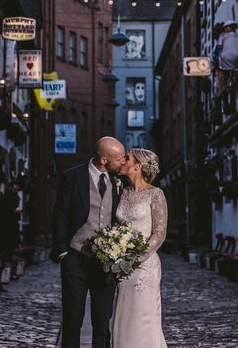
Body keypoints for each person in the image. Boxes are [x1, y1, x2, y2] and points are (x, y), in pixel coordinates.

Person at [51, 136, 126, 348]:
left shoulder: (119, 181)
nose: (122, 162)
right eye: (119, 158)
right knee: (73, 318)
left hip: (106, 261)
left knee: (102, 321)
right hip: (75, 257)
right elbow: (60, 215)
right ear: (103, 159)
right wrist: (63, 252)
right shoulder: (72, 176)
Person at [112, 148, 168, 348]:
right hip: (121, 266)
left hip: (144, 266)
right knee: (123, 319)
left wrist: (136, 257)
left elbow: (160, 233)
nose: (122, 160)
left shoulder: (155, 194)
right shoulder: (121, 191)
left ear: (138, 166)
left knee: (143, 320)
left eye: (127, 158)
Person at [0, 181, 21, 278]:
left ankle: (9, 273)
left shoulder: (15, 198)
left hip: (13, 228)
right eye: (14, 189)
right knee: (6, 252)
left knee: (10, 251)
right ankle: (6, 274)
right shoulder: (6, 198)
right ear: (10, 188)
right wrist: (13, 212)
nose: (15, 191)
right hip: (6, 229)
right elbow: (3, 213)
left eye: (17, 190)